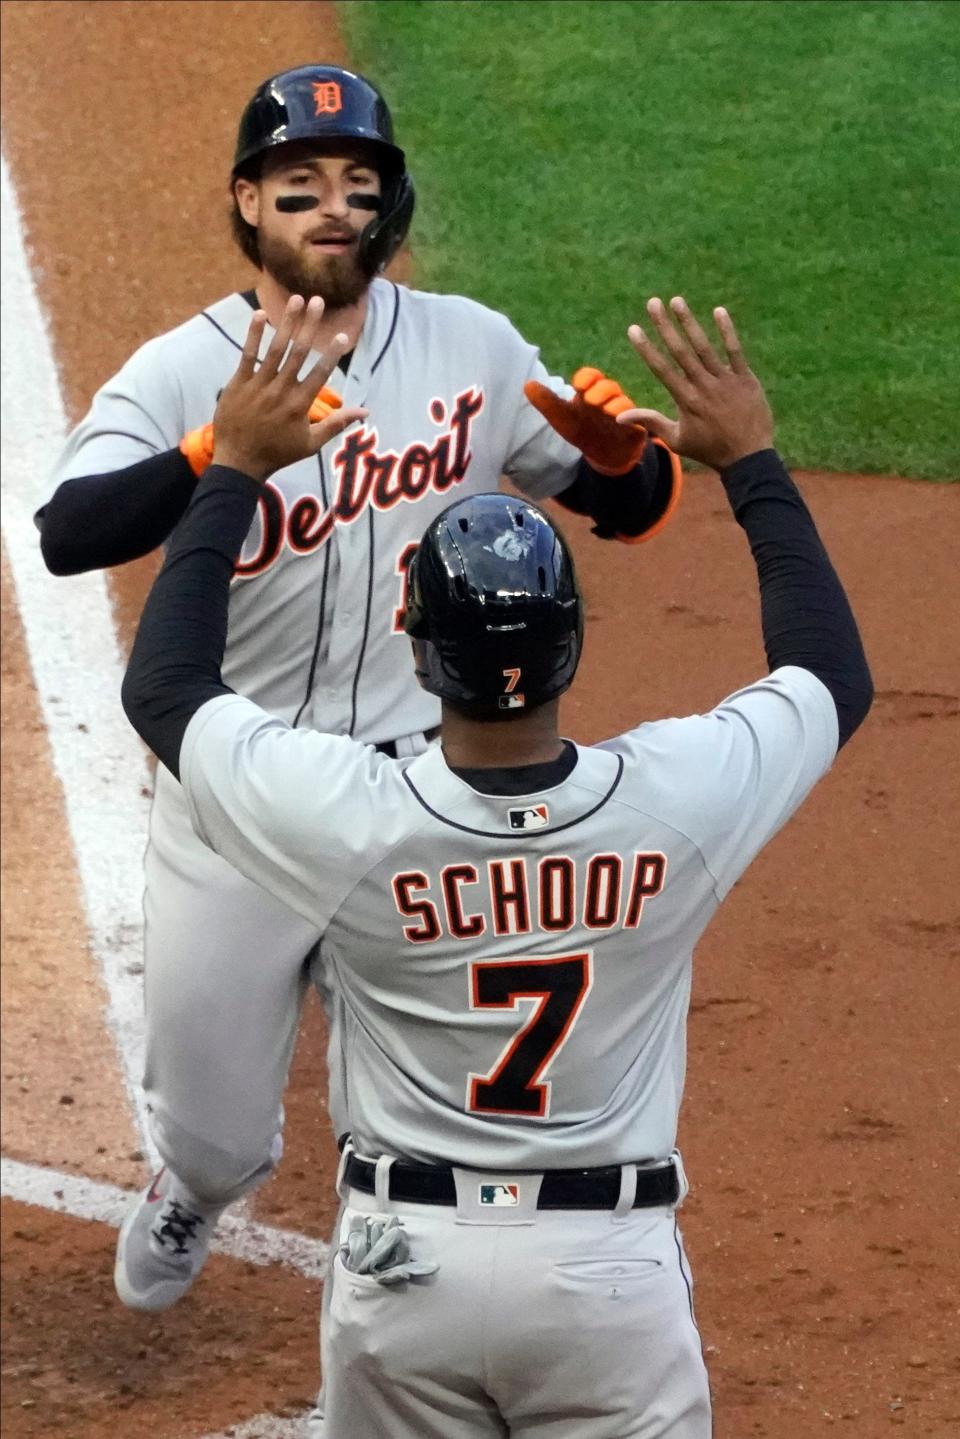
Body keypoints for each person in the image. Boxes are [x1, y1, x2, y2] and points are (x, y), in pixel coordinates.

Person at [120, 291, 872, 1437]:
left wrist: (232, 467)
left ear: (416, 653)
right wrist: (752, 461)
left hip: (402, 1271)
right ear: (572, 642)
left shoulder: (345, 815)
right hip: (605, 1280)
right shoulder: (675, 800)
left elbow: (166, 688)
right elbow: (828, 669)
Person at [33, 64, 682, 1311]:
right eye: (300, 187)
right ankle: (194, 1189)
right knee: (216, 1125)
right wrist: (217, 444)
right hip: (235, 786)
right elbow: (71, 530)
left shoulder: (472, 346)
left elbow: (628, 501)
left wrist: (621, 465)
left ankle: (415, 1272)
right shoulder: (189, 366)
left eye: (357, 185)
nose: (333, 208)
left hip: (415, 795)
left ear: (387, 204)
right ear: (248, 202)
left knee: (432, 1089)